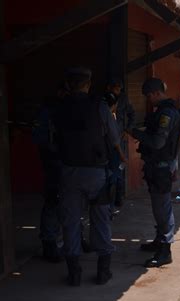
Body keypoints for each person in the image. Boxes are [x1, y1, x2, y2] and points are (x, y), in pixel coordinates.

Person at [54, 67, 126, 286]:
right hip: (96, 173)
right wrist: (121, 157)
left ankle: (74, 273)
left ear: (69, 85)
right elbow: (114, 138)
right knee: (101, 219)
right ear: (87, 85)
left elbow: (51, 140)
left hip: (68, 172)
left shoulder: (59, 108)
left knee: (71, 222)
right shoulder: (100, 107)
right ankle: (103, 271)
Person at [127, 78, 180, 268]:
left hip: (161, 166)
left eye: (149, 96)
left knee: (162, 208)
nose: (148, 100)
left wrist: (136, 133)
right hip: (156, 165)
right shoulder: (163, 111)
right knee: (159, 207)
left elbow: (158, 142)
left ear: (156, 93)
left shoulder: (167, 113)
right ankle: (160, 240)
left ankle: (165, 250)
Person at [32, 82, 69, 263]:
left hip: (65, 162)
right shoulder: (49, 112)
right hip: (54, 162)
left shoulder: (64, 110)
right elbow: (40, 139)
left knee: (65, 202)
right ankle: (49, 243)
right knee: (53, 202)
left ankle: (59, 241)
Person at [105, 78, 135, 208]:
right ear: (109, 87)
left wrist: (127, 130)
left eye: (119, 89)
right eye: (116, 88)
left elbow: (132, 114)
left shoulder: (123, 99)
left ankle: (118, 197)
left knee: (118, 170)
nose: (118, 91)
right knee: (110, 172)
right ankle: (109, 202)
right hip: (106, 141)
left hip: (120, 138)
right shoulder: (103, 101)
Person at [102, 92, 122, 217]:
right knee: (112, 181)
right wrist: (122, 155)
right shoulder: (109, 117)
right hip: (111, 153)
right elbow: (115, 141)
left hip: (101, 154)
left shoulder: (97, 115)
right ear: (114, 105)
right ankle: (109, 207)